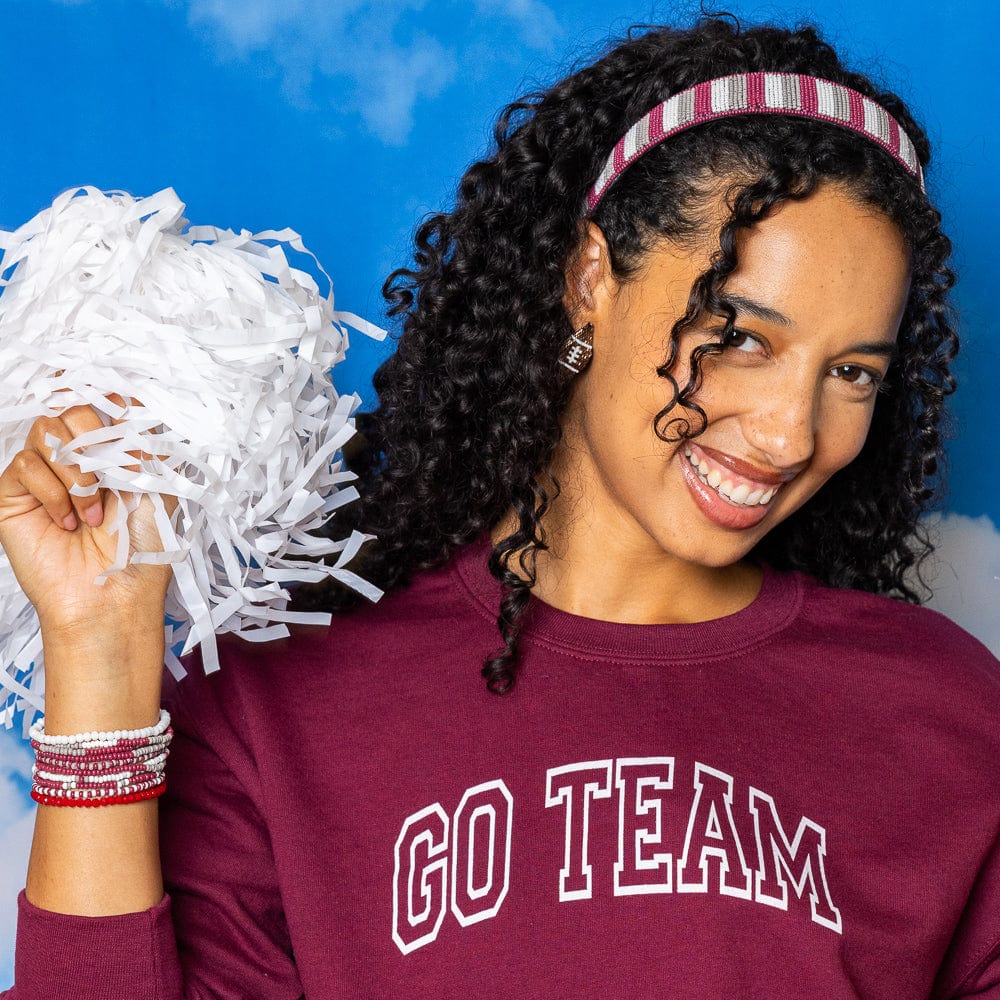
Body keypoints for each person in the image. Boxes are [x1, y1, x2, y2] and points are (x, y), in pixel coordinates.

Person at [1, 15, 998, 1000]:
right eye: (738, 336)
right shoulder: (278, 707)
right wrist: (100, 650)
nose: (788, 434)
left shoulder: (944, 715)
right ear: (589, 277)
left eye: (853, 373)